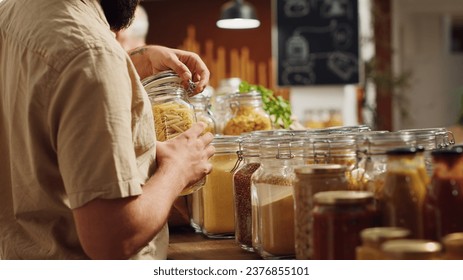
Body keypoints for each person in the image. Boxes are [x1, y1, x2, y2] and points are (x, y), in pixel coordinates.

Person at [0, 0, 214, 260]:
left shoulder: (12, 11)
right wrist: (178, 169)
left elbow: (44, 103)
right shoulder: (91, 53)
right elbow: (112, 237)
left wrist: (132, 62)